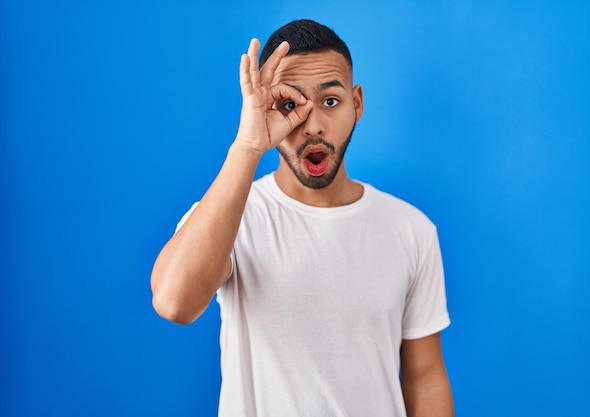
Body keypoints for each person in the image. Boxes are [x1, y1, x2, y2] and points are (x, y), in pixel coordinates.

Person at [151, 19, 453, 417]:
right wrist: (248, 145)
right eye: (290, 104)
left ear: (357, 103)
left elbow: (425, 379)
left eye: (330, 102)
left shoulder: (410, 228)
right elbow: (175, 303)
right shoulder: (233, 216)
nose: (312, 125)